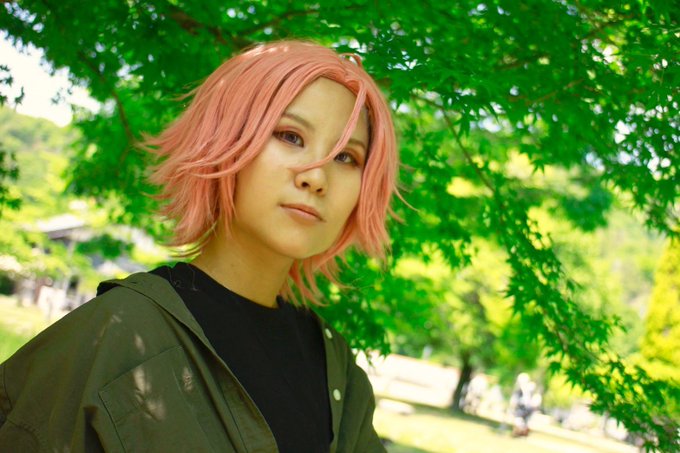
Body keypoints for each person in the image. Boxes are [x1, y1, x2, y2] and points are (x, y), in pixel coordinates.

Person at [0, 40, 399, 452]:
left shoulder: (338, 371)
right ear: (225, 139)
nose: (316, 177)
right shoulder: (112, 335)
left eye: (347, 157)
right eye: (290, 136)